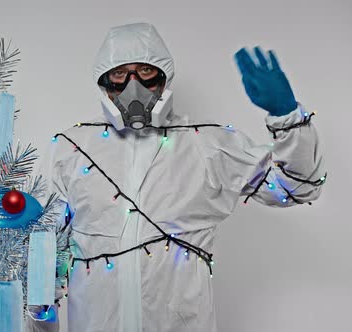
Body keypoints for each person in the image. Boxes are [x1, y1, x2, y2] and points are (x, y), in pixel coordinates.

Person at [29, 22, 325, 332]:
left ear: (162, 76)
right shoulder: (71, 149)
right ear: (104, 81)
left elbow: (297, 188)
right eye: (119, 74)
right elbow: (45, 255)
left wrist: (287, 118)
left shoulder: (208, 144)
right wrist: (39, 320)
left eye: (144, 71)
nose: (133, 86)